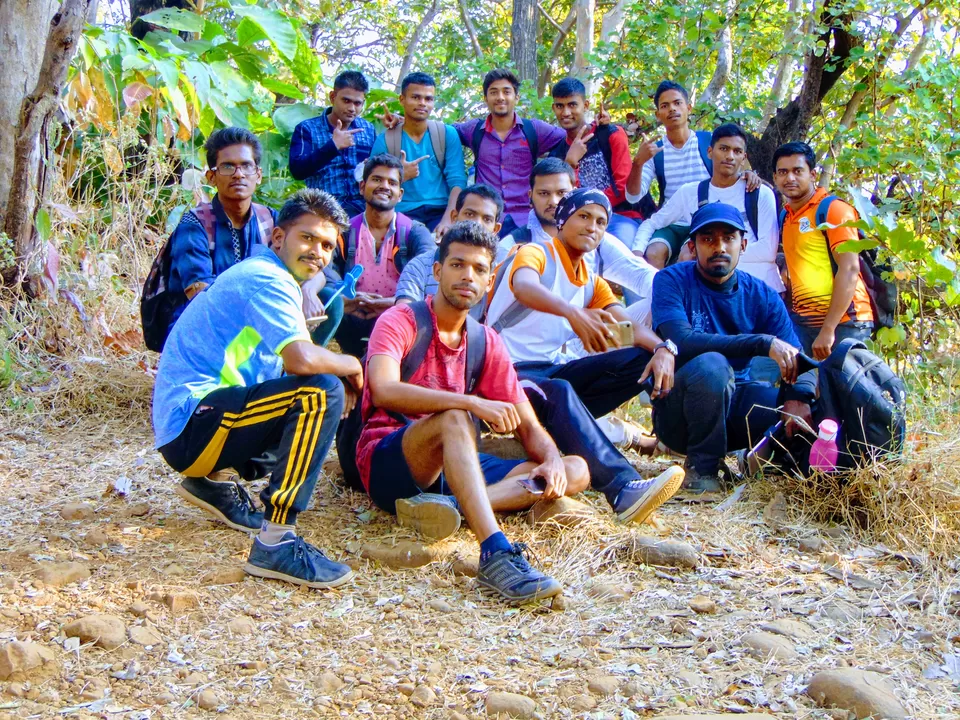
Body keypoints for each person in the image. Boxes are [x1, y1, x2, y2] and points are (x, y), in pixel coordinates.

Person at [359, 222, 592, 603]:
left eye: (480, 269)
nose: (468, 276)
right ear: (437, 272)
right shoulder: (401, 320)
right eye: (457, 265)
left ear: (490, 279)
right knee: (455, 418)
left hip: (455, 466)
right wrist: (468, 402)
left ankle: (450, 507)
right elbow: (384, 388)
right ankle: (496, 554)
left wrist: (550, 458)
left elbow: (528, 425)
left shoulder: (485, 340)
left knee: (574, 468)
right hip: (392, 459)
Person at [152, 189, 364, 588]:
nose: (318, 252)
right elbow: (301, 359)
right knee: (321, 392)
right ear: (279, 238)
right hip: (191, 423)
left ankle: (212, 484)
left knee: (307, 395)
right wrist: (351, 363)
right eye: (308, 238)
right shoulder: (266, 279)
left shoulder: (274, 277)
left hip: (196, 427)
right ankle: (276, 541)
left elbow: (288, 365)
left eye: (326, 245)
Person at [486, 188, 685, 522]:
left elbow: (626, 327)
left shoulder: (592, 284)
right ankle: (623, 488)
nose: (592, 227)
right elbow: (523, 286)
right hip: (508, 375)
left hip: (550, 374)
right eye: (583, 216)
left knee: (639, 359)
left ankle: (574, 434)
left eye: (601, 222)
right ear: (563, 220)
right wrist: (572, 314)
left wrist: (662, 349)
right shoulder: (535, 253)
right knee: (559, 389)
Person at [651, 203, 815, 492]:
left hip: (738, 404)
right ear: (692, 246)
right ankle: (703, 469)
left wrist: (797, 398)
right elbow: (683, 342)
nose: (719, 247)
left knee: (812, 404)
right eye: (708, 239)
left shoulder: (761, 294)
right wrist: (763, 343)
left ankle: (774, 463)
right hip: (680, 412)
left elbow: (796, 357)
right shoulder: (671, 280)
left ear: (743, 244)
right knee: (713, 364)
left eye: (728, 238)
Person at [385, 69, 567, 236]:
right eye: (494, 92)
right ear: (485, 98)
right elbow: (440, 131)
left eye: (506, 91)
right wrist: (406, 121)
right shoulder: (474, 130)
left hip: (526, 219)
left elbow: (568, 136)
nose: (500, 97)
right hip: (487, 219)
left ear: (516, 97)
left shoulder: (533, 130)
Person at [498, 158, 657, 328]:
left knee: (665, 296)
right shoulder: (513, 245)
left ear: (573, 194)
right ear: (530, 197)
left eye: (561, 193)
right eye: (544, 193)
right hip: (530, 343)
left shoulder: (596, 240)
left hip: (587, 338)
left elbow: (641, 275)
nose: (553, 201)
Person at [633, 123, 784, 293]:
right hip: (711, 292)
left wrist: (710, 255)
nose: (730, 156)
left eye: (737, 151)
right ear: (710, 152)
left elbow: (768, 250)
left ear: (744, 158)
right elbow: (652, 223)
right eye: (724, 149)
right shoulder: (691, 193)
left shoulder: (759, 193)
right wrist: (637, 254)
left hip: (761, 290)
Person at [773, 142, 875, 358]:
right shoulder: (785, 216)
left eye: (797, 171)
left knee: (847, 389)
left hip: (846, 321)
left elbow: (849, 269)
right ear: (775, 178)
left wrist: (829, 329)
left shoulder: (834, 210)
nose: (790, 178)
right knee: (801, 389)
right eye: (783, 172)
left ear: (812, 174)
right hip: (803, 323)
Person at [327, 154, 435, 357]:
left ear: (400, 194)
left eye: (392, 182)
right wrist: (342, 298)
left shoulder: (414, 232)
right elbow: (325, 269)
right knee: (324, 296)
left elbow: (431, 274)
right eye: (377, 179)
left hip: (399, 319)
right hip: (351, 316)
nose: (384, 186)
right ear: (361, 187)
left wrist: (396, 303)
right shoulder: (345, 231)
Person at [624, 81, 714, 269]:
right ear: (658, 115)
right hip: (670, 222)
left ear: (688, 108)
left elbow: (733, 174)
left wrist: (749, 175)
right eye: (665, 106)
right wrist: (638, 163)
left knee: (688, 256)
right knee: (654, 252)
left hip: (705, 219)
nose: (672, 109)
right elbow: (633, 196)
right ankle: (660, 298)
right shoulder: (654, 151)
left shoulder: (709, 142)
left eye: (677, 103)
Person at [371, 72, 467, 234]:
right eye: (415, 97)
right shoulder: (386, 140)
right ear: (402, 100)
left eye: (428, 99)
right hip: (400, 212)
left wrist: (449, 219)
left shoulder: (446, 134)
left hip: (441, 209)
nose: (422, 103)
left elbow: (457, 180)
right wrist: (400, 174)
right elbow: (372, 184)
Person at [547, 77, 639, 244]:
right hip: (577, 220)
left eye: (572, 105)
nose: (566, 112)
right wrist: (569, 164)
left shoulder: (611, 135)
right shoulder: (557, 153)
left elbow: (623, 183)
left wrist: (591, 207)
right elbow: (561, 195)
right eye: (560, 106)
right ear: (554, 108)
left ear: (586, 105)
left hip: (620, 217)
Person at [394, 184, 504, 304]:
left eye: (487, 219)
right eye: (470, 214)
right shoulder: (419, 266)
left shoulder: (500, 275)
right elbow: (405, 315)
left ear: (495, 230)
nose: (477, 223)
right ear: (454, 217)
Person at [289, 71, 376, 217]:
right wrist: (332, 146)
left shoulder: (368, 129)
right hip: (323, 210)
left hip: (364, 209)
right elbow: (297, 170)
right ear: (332, 97)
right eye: (346, 101)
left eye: (357, 103)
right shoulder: (307, 129)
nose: (352, 108)